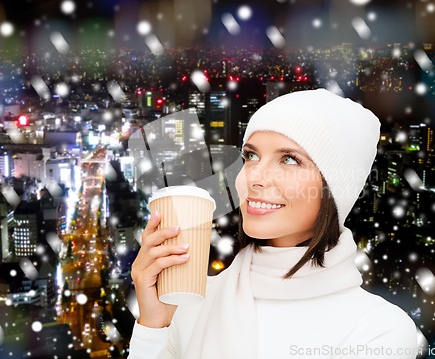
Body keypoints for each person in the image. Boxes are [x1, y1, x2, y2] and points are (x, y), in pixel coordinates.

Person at [129, 89, 419, 359]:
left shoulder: (378, 330)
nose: (255, 177)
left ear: (335, 188)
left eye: (290, 160)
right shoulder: (189, 302)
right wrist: (153, 326)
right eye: (251, 156)